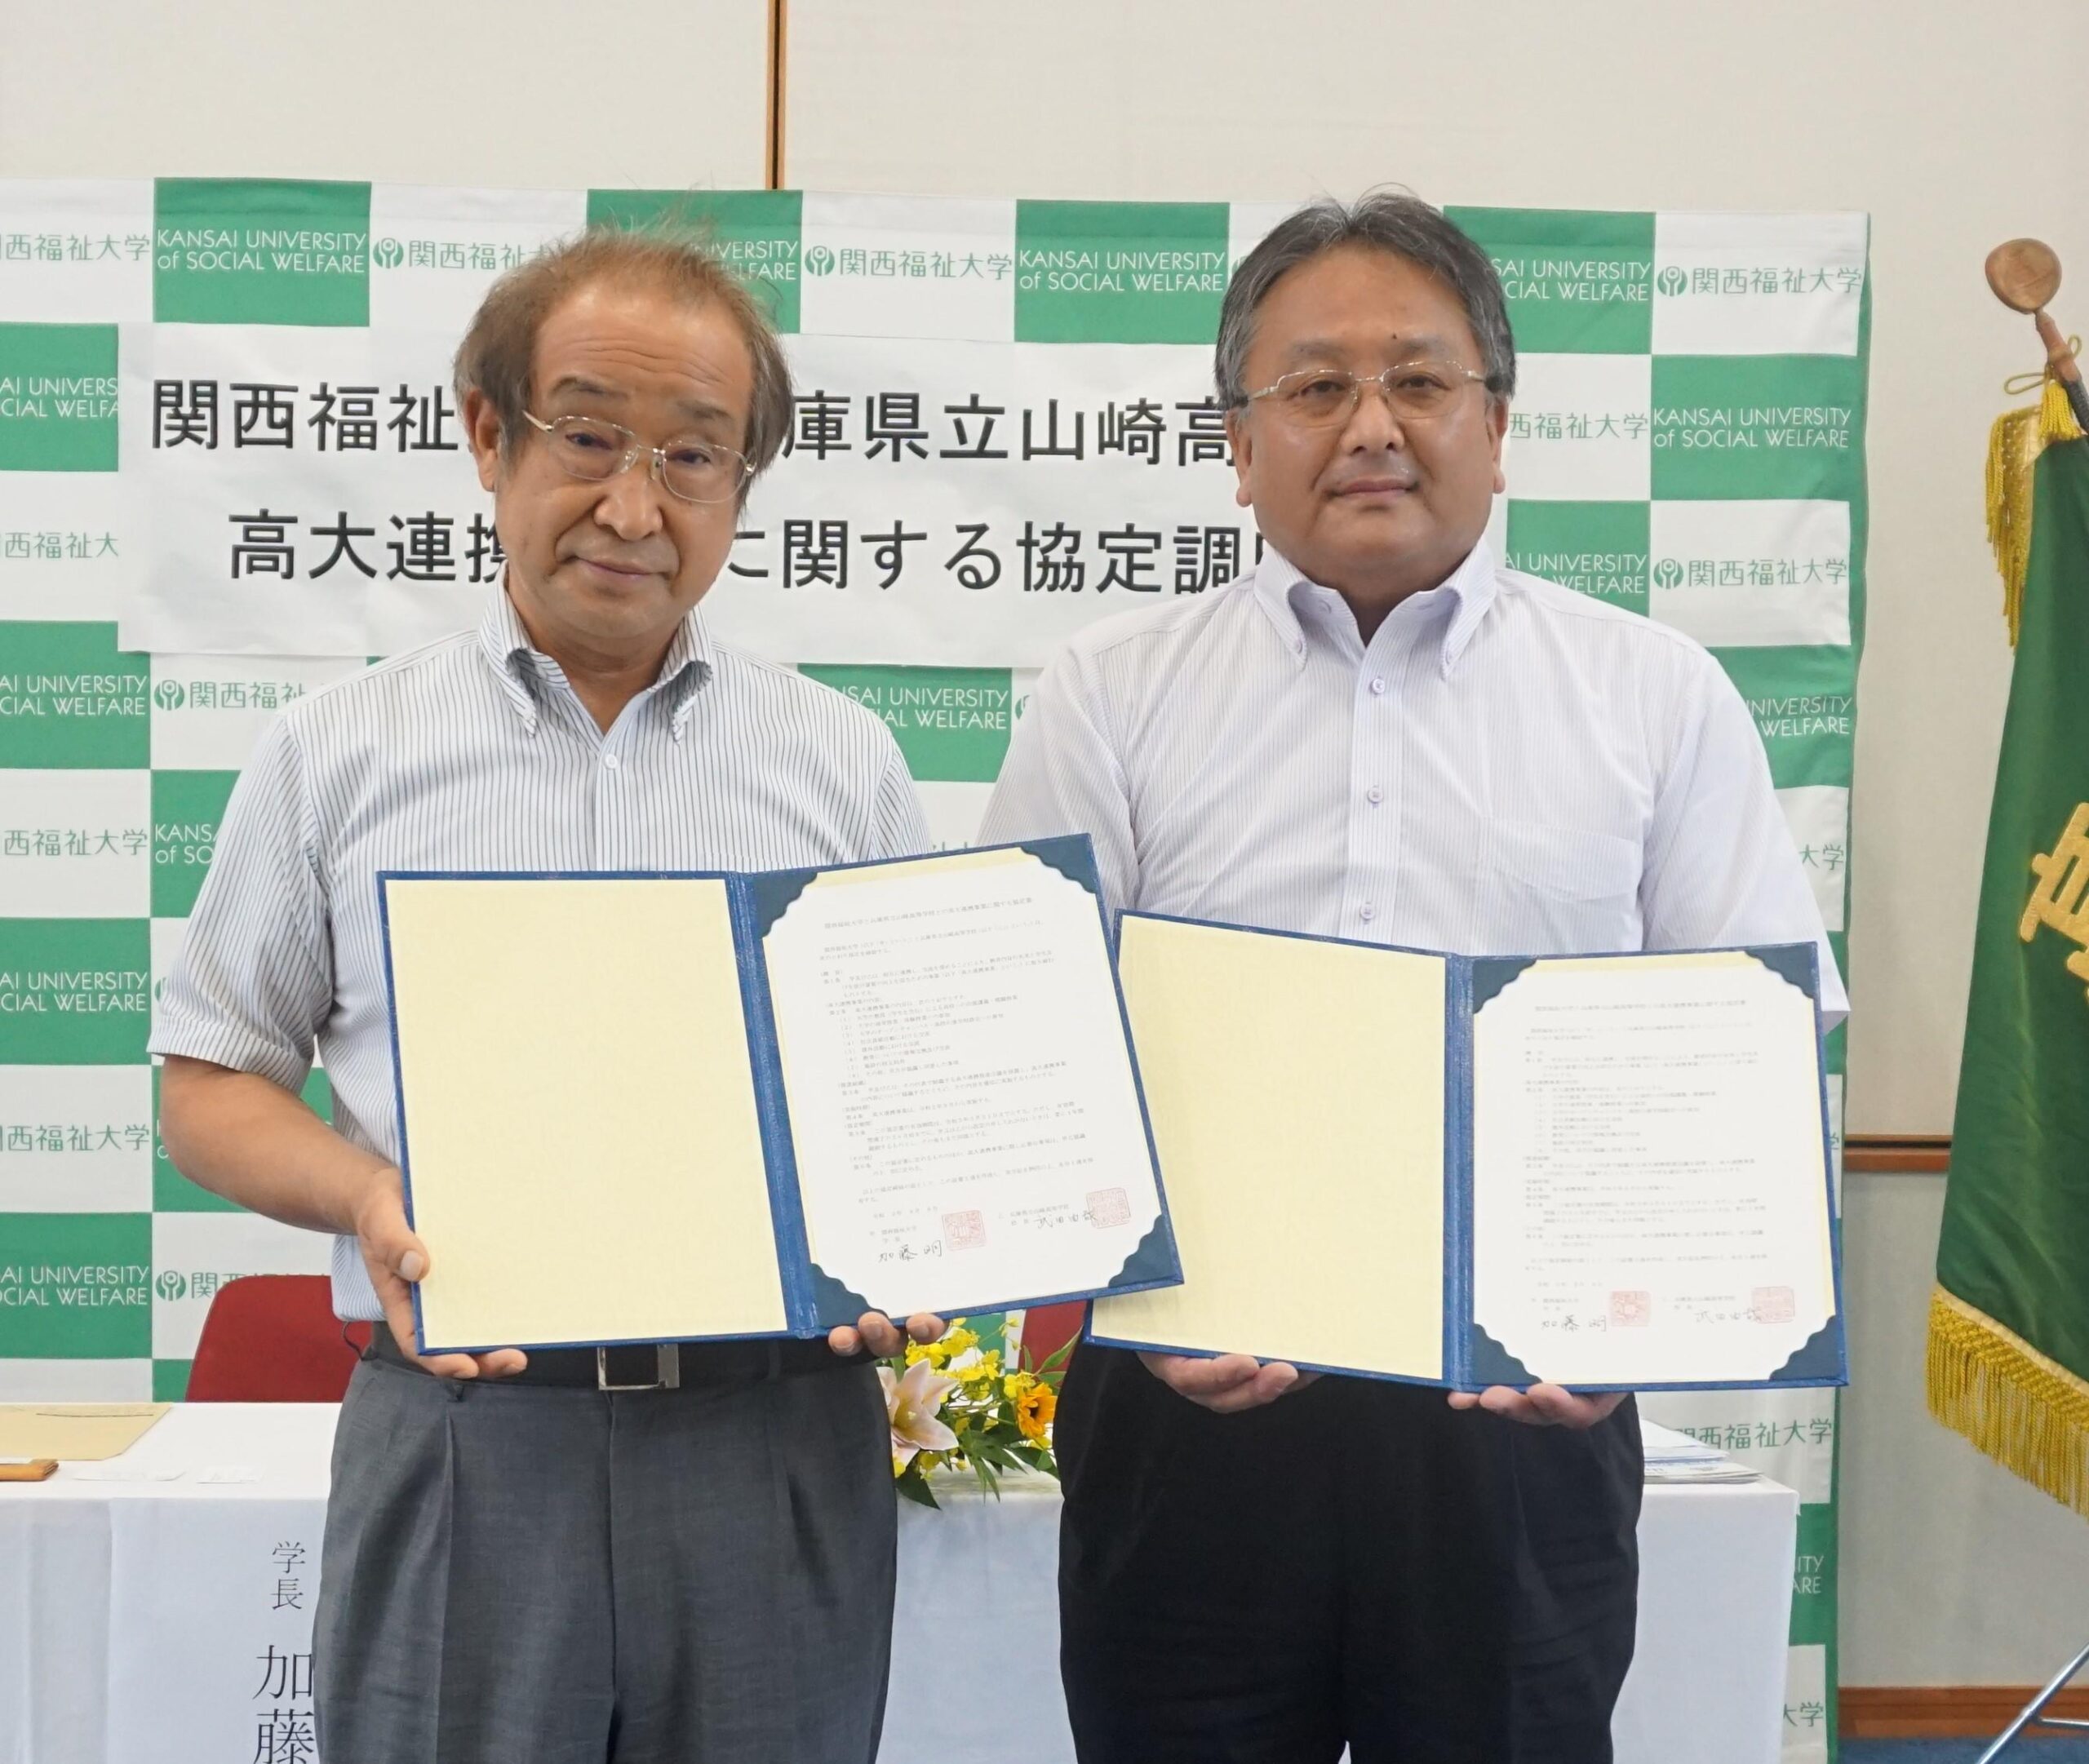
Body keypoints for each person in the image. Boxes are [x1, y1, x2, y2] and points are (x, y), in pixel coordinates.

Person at [980, 193, 1846, 1764]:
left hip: (1521, 1417)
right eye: (1316, 385)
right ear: (1239, 442)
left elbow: (1750, 1047)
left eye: (1421, 380)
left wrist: (1631, 1327)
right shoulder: (1111, 694)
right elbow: (1023, 1038)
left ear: (1496, 426)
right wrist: (1127, 1291)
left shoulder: (1654, 696)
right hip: (1188, 1407)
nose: (1371, 425)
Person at [154, 228, 942, 1764]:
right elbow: (211, 1086)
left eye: (693, 457)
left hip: (770, 1430)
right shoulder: (337, 753)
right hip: (469, 1434)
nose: (634, 507)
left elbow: (913, 1093)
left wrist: (926, 1228)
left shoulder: (844, 763)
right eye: (587, 437)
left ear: (740, 486)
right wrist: (366, 1194)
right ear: (487, 432)